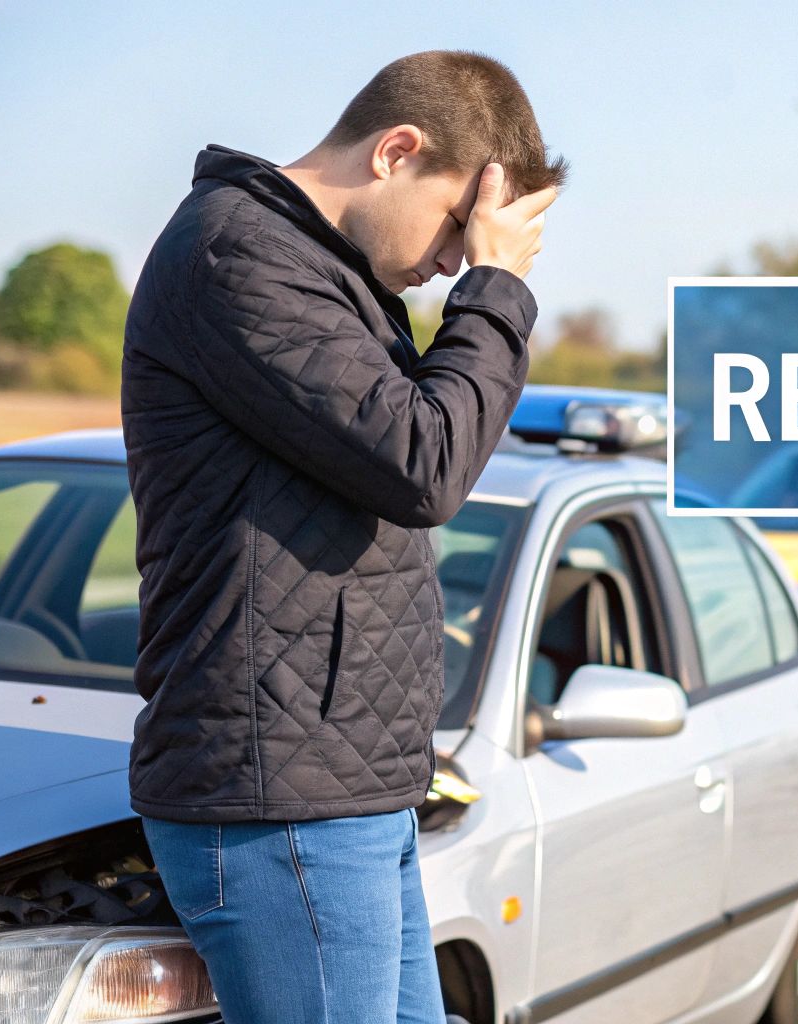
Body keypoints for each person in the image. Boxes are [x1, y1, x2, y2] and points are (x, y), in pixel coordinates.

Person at [120, 51, 564, 1022]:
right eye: (457, 225)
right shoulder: (239, 257)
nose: (453, 260)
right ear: (395, 151)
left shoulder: (325, 275)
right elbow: (424, 462)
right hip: (283, 803)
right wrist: (494, 290)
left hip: (343, 791)